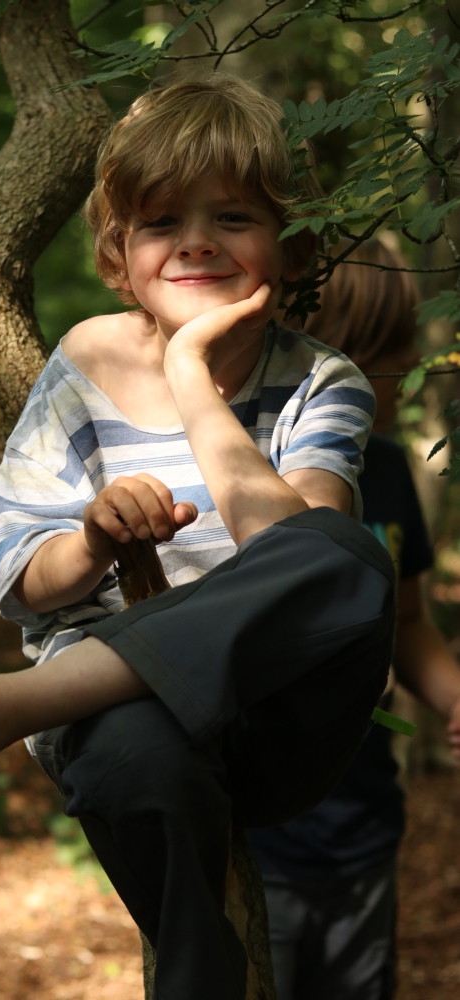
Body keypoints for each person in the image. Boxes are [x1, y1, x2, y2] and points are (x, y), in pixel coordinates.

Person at [0, 80, 395, 1000]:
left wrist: (188, 375)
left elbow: (306, 557)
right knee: (135, 755)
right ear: (118, 256)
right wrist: (89, 536)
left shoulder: (323, 380)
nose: (196, 240)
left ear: (290, 247)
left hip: (275, 721)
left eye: (233, 215)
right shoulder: (84, 359)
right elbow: (31, 579)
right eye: (162, 220)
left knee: (346, 553)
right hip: (125, 728)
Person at [248, 238, 460, 1000]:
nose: (409, 359)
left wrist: (451, 695)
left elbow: (405, 624)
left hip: (364, 831)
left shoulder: (393, 473)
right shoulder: (248, 475)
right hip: (254, 839)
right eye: (386, 345)